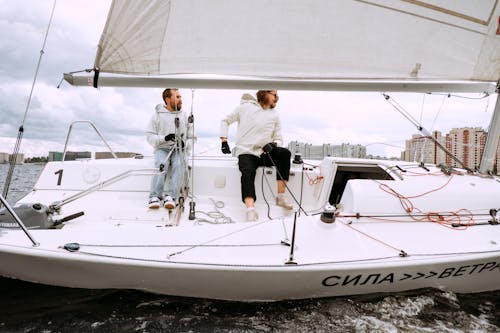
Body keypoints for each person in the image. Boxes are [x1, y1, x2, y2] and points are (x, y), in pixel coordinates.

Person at [220, 90, 293, 221]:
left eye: (277, 95)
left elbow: (278, 137)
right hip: (246, 152)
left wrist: (274, 144)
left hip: (265, 152)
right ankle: (250, 210)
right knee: (247, 172)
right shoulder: (244, 107)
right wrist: (224, 140)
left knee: (285, 154)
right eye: (273, 94)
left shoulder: (274, 115)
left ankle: (280, 197)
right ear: (264, 93)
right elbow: (225, 120)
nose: (277, 97)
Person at [146, 88, 190, 209]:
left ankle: (171, 196)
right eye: (178, 97)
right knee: (161, 163)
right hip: (162, 148)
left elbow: (192, 137)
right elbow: (150, 137)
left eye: (180, 97)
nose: (181, 100)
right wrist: (165, 138)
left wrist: (184, 144)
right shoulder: (157, 115)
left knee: (180, 163)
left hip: (179, 150)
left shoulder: (184, 115)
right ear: (168, 99)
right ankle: (154, 196)